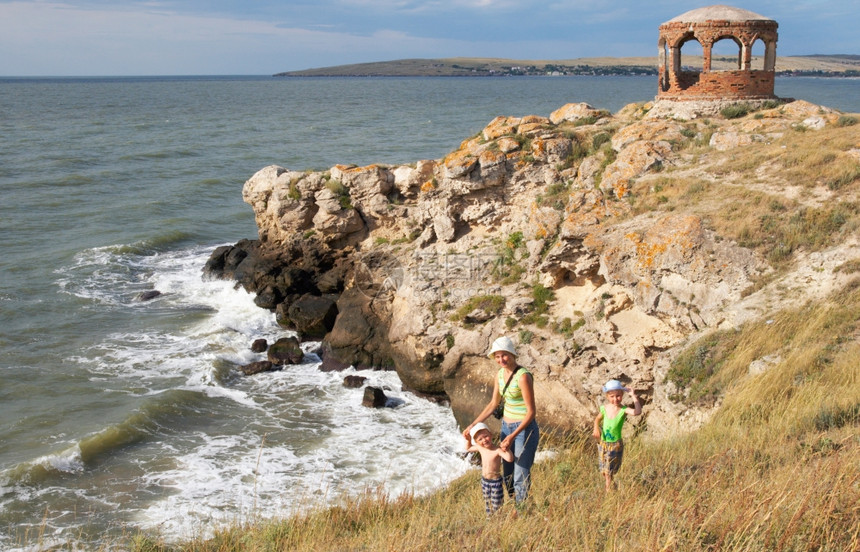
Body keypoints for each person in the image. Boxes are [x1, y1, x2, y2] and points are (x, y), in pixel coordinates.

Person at [462, 336, 539, 508]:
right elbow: (493, 404)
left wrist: (512, 436)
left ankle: (522, 512)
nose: (501, 359)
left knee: (520, 474)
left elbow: (531, 412)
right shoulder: (500, 375)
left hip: (523, 431)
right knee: (508, 474)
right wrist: (473, 424)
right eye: (497, 356)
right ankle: (516, 505)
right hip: (507, 427)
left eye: (504, 355)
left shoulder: (523, 377)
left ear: (512, 354)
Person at [592, 379, 642, 491]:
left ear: (622, 395)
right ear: (607, 396)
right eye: (612, 396)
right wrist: (596, 428)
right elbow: (597, 419)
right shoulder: (604, 408)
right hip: (603, 443)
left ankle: (608, 490)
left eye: (618, 396)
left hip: (615, 444)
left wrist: (633, 396)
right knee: (604, 471)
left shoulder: (623, 410)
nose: (615, 399)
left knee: (609, 470)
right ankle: (612, 487)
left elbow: (637, 412)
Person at [465, 422, 514, 515]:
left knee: (497, 504)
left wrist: (506, 449)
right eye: (480, 439)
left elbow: (509, 459)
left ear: (491, 435)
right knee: (488, 503)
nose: (484, 440)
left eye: (486, 436)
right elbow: (468, 448)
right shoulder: (480, 448)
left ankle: (499, 519)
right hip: (485, 481)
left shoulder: (497, 450)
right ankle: (490, 519)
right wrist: (468, 440)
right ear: (476, 442)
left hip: (495, 482)